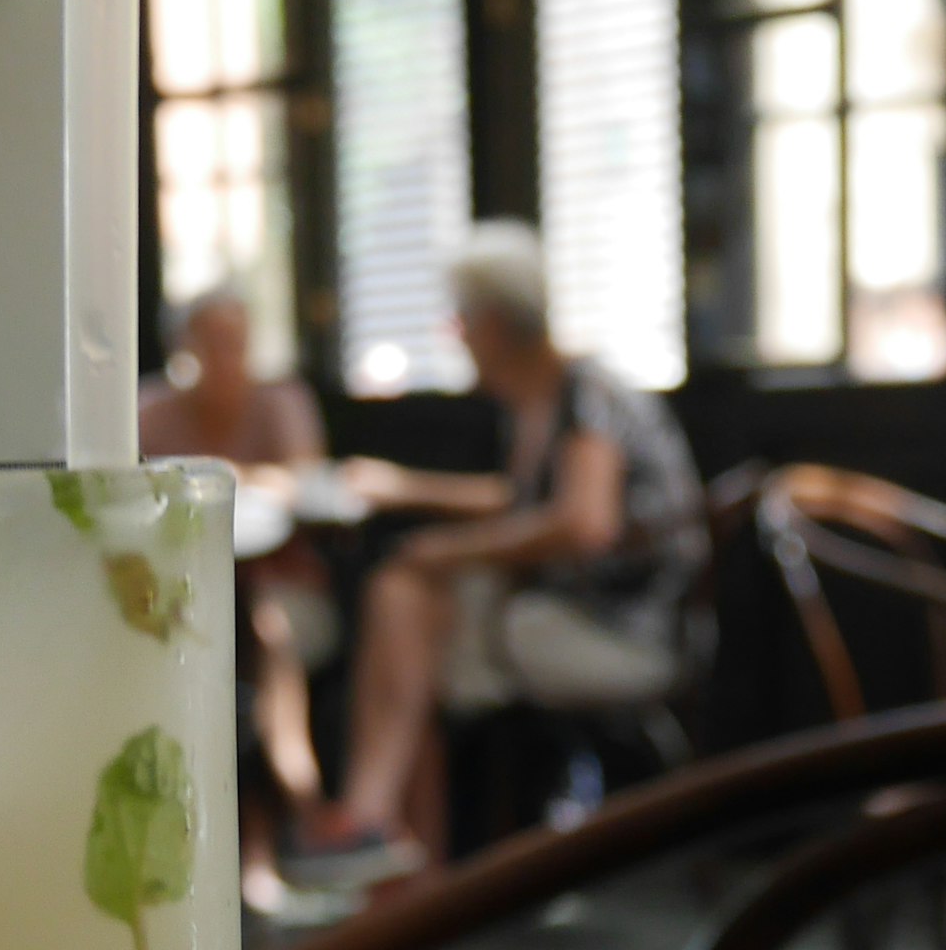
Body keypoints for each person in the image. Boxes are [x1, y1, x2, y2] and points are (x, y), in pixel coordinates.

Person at [295, 222, 702, 885]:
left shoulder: (585, 395)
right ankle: (389, 842)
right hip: (564, 612)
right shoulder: (539, 399)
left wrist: (447, 551)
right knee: (405, 597)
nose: (456, 336)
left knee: (409, 618)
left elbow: (582, 524)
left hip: (622, 630)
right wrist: (405, 489)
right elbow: (519, 503)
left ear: (491, 322)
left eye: (460, 320)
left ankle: (399, 850)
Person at [140, 283, 334, 910]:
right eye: (212, 340)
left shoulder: (282, 402)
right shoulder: (150, 410)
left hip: (281, 592)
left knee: (266, 634)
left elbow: (306, 486)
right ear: (185, 347)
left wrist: (216, 475)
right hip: (179, 599)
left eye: (238, 340)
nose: (227, 354)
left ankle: (284, 825)